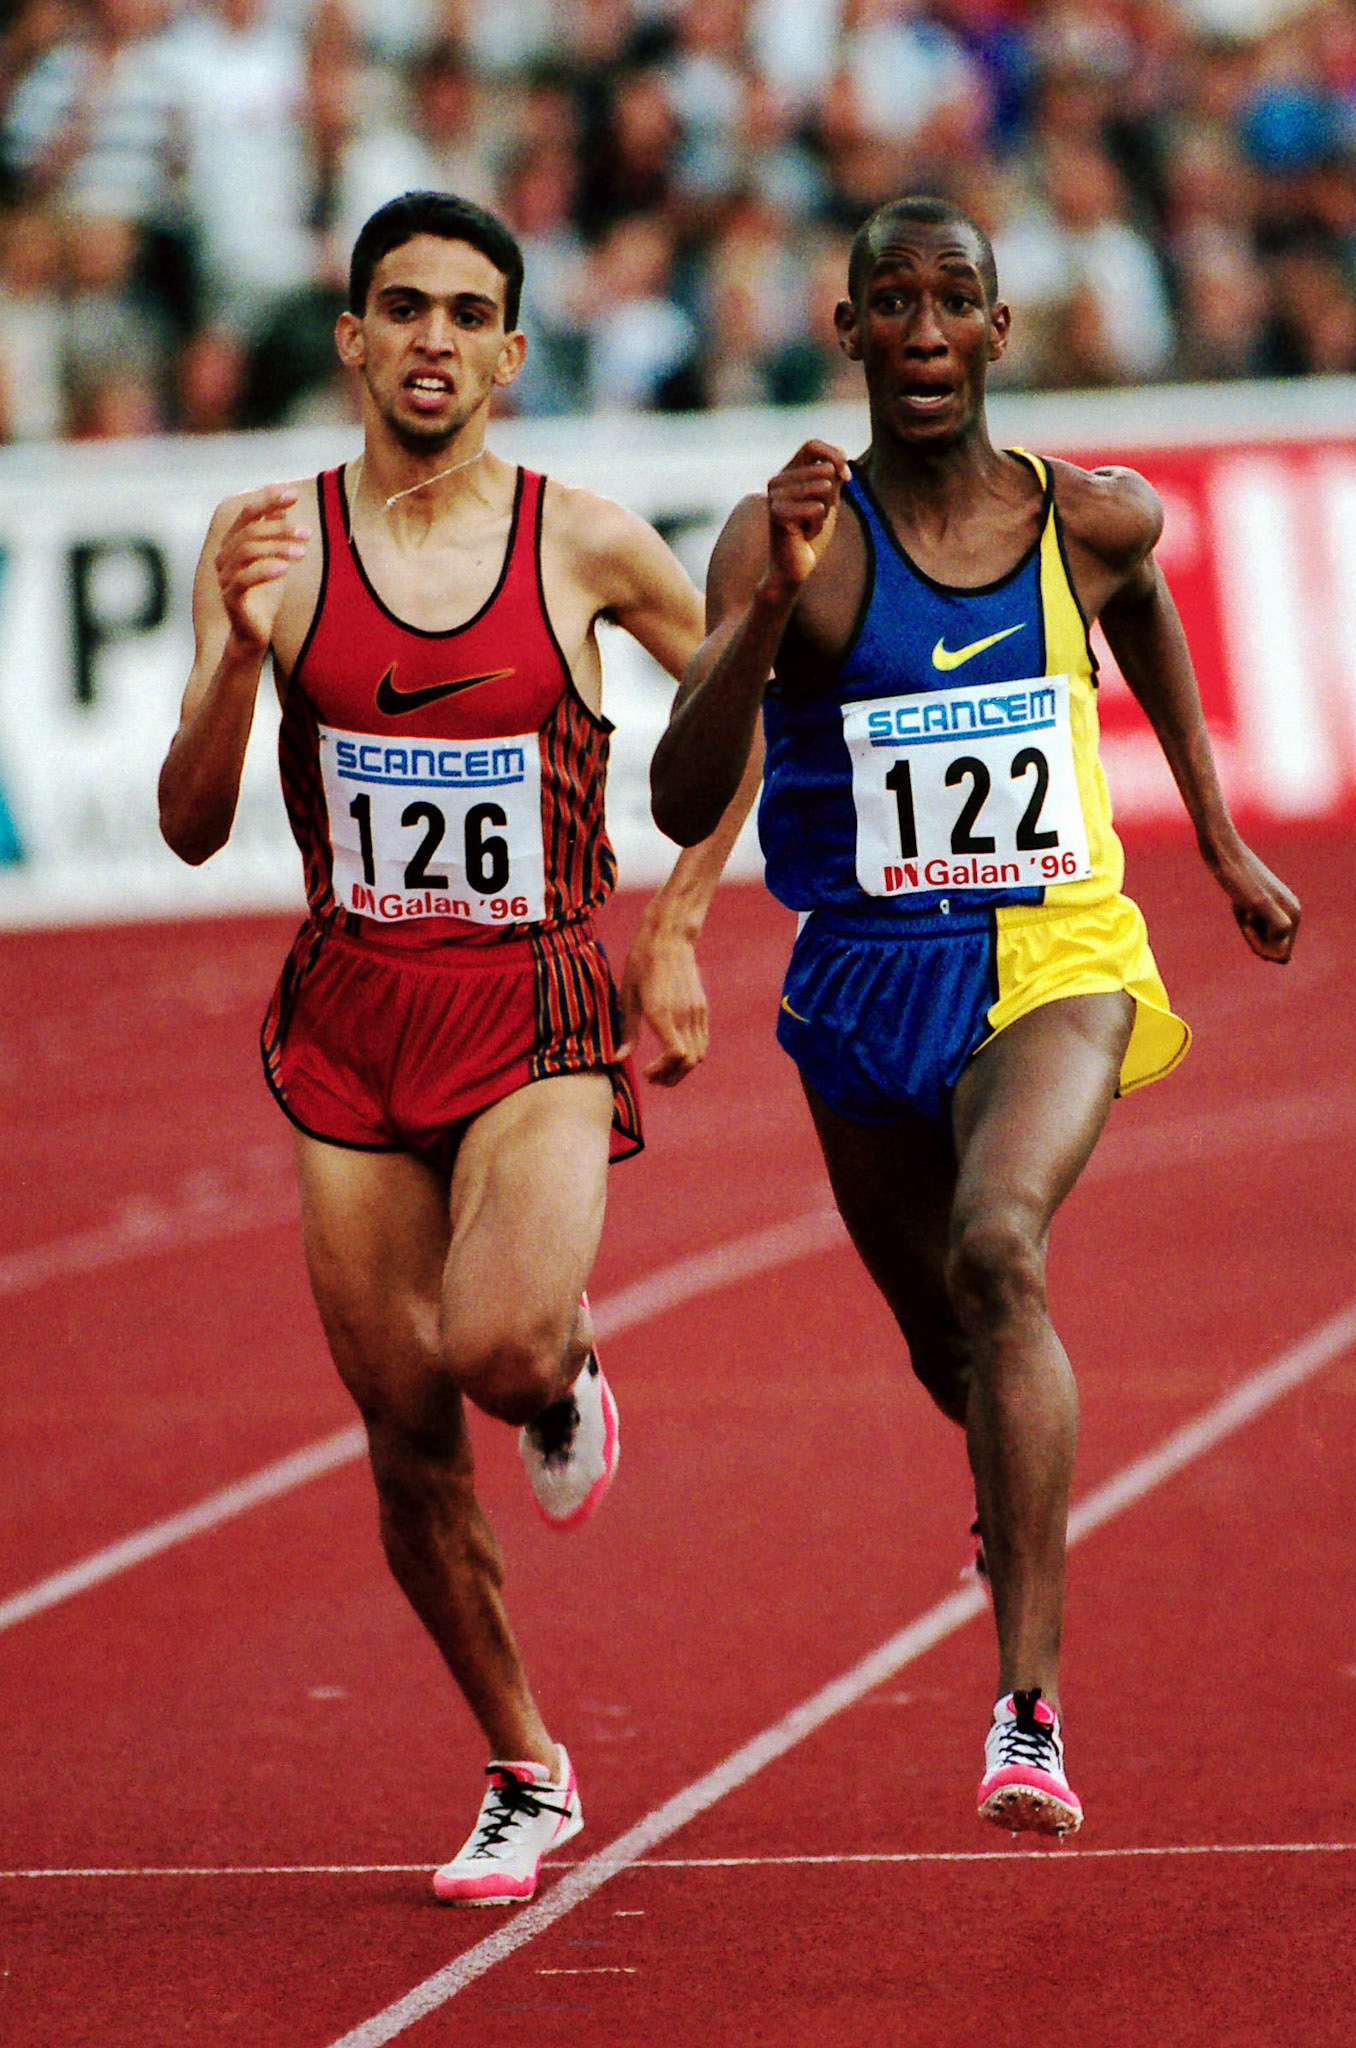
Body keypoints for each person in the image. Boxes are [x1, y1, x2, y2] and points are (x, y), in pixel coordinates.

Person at [650, 193, 1300, 1838]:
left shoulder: (1088, 516)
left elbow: (1140, 592)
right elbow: (677, 792)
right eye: (895, 302)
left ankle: (1026, 1713)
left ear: (1002, 332)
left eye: (957, 302)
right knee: (951, 1342)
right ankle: (999, 1484)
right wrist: (758, 611)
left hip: (1057, 947)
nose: (927, 331)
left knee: (1001, 1251)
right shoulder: (786, 531)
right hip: (863, 972)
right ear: (851, 328)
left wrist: (1216, 834)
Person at [158, 190, 757, 1904]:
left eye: (466, 312)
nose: (432, 338)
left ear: (511, 349)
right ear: (351, 338)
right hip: (348, 1016)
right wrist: (234, 657)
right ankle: (527, 1766)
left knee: (495, 1348)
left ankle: (565, 1374)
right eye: (399, 307)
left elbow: (736, 713)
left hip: (533, 1005)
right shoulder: (265, 536)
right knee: (407, 1430)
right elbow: (193, 826)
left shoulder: (585, 541)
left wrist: (678, 925)